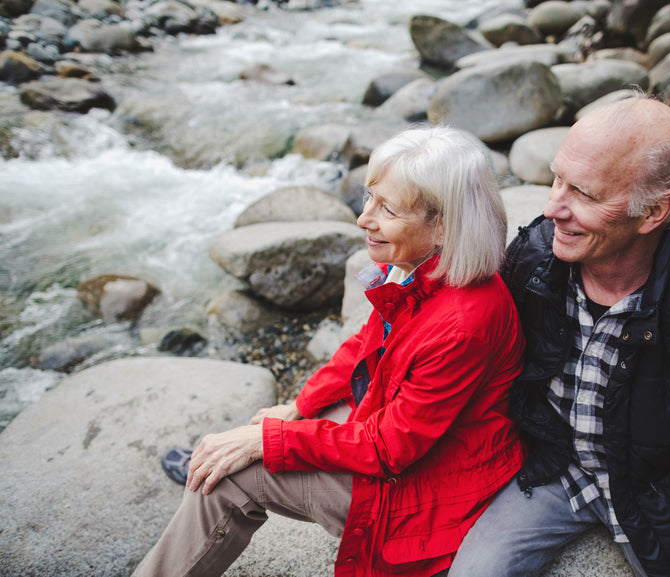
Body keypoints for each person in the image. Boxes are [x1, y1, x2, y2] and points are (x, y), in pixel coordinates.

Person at [134, 126, 526, 577]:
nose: (363, 219)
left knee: (232, 478)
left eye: (388, 209)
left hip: (426, 489)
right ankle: (210, 470)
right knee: (268, 428)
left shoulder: (463, 323)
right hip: (418, 444)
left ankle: (207, 485)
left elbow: (390, 449)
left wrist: (269, 443)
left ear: (442, 225)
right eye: (369, 199)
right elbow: (363, 346)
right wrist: (297, 407)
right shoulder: (420, 268)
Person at [449, 96, 670, 577]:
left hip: (660, 496)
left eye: (584, 194)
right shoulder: (533, 257)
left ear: (653, 211)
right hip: (555, 472)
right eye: (557, 178)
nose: (552, 207)